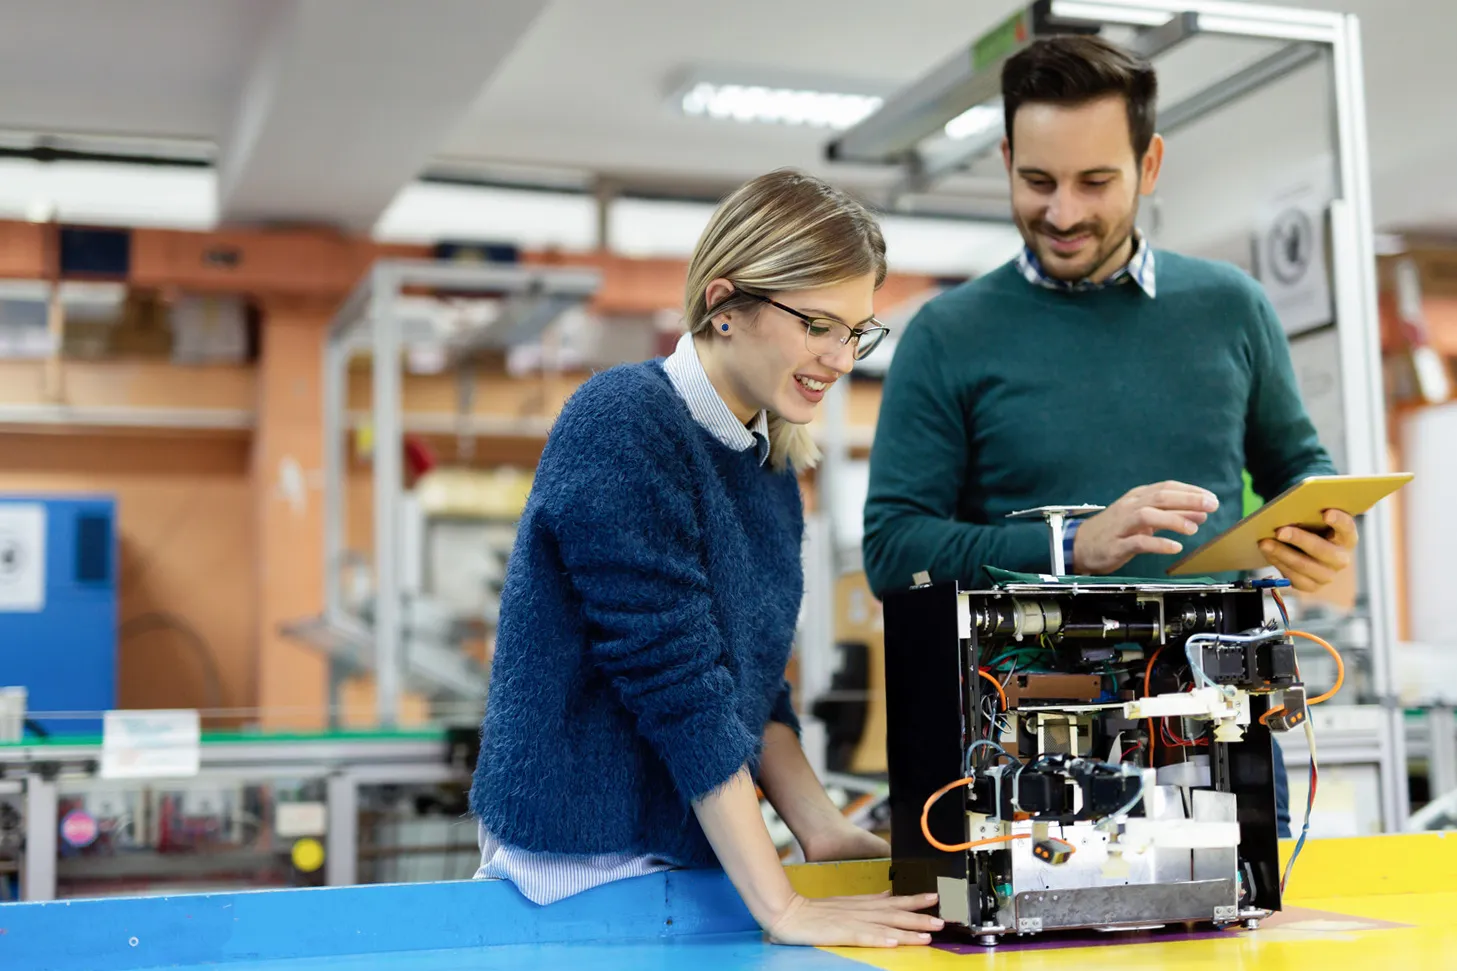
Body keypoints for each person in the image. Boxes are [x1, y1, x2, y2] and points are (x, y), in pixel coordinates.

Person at [862, 36, 1358, 837]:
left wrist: (1322, 528)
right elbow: (893, 550)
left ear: (1149, 164)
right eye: (1036, 181)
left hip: (1207, 738)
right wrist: (1067, 550)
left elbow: (1299, 466)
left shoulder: (1230, 306)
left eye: (1094, 182)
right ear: (1005, 159)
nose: (1061, 213)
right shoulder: (945, 334)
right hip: (1014, 761)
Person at [469, 169, 943, 949]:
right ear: (725, 304)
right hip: (576, 873)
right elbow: (679, 683)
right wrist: (783, 906)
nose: (840, 356)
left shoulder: (770, 466)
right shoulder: (624, 419)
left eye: (855, 331)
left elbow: (749, 684)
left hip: (691, 869)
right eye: (817, 323)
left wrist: (820, 828)